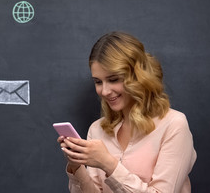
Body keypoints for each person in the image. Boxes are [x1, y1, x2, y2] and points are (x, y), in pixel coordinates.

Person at [57, 31, 196, 192]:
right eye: (98, 82)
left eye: (113, 79)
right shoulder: (97, 129)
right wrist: (76, 166)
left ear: (138, 76)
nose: (105, 91)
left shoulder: (174, 124)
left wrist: (108, 163)